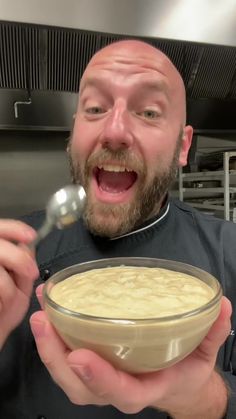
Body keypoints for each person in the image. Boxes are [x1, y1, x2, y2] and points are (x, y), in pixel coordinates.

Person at [0, 39, 235, 419]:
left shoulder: (229, 250)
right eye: (94, 108)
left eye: (148, 112)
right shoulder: (12, 254)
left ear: (183, 145)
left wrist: (200, 398)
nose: (115, 131)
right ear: (73, 133)